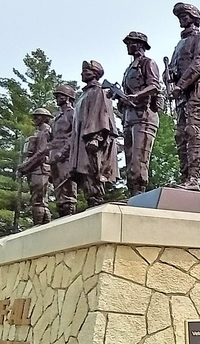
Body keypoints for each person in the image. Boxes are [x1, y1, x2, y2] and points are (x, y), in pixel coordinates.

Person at [167, 2, 200, 190]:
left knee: (195, 135)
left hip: (197, 93)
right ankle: (185, 176)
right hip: (182, 98)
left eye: (185, 16)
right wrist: (169, 76)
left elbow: (199, 63)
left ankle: (193, 179)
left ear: (194, 18)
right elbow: (173, 69)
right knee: (181, 136)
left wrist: (180, 85)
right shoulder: (179, 45)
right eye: (180, 17)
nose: (182, 19)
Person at [116, 31, 161, 197]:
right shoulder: (129, 69)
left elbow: (155, 86)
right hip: (129, 117)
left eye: (131, 43)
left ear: (140, 45)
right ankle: (132, 192)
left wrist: (137, 95)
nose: (128, 46)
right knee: (129, 158)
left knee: (139, 157)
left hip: (144, 116)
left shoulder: (148, 63)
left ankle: (139, 191)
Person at [72, 60, 119, 208]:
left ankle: (96, 201)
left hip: (93, 140)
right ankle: (92, 202)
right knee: (86, 175)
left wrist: (96, 137)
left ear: (95, 74)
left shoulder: (99, 91)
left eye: (86, 71)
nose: (82, 73)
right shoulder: (83, 95)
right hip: (81, 141)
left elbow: (102, 114)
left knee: (95, 173)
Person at [18, 108, 53, 225]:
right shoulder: (38, 132)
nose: (34, 119)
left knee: (38, 200)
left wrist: (25, 166)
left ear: (44, 118)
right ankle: (42, 225)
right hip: (35, 170)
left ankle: (39, 225)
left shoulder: (45, 132)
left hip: (40, 169)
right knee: (39, 200)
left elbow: (41, 152)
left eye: (37, 117)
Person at [48, 83, 78, 217]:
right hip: (54, 154)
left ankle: (68, 213)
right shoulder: (57, 117)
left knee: (67, 187)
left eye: (60, 95)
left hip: (66, 155)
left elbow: (75, 136)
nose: (57, 98)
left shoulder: (73, 113)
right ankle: (61, 214)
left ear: (67, 97)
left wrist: (63, 152)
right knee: (58, 188)